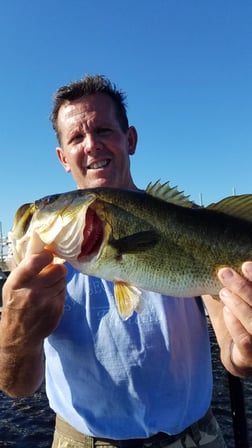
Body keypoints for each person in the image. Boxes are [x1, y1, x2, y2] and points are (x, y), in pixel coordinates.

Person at [1, 75, 252, 448]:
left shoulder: (190, 221)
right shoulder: (40, 267)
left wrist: (246, 352)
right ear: (62, 157)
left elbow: (234, 355)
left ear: (130, 139)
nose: (91, 145)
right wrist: (15, 334)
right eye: (75, 138)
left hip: (196, 437)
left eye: (103, 129)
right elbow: (18, 388)